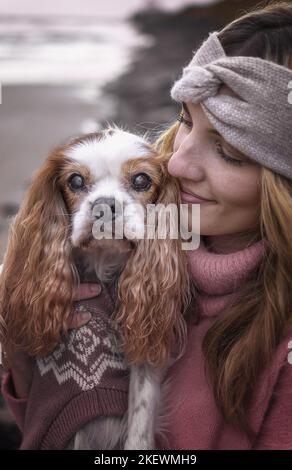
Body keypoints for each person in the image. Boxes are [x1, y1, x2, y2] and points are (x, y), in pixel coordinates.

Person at [2, 0, 292, 450]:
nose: (175, 162)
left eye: (229, 151)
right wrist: (22, 361)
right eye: (185, 121)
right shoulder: (126, 247)